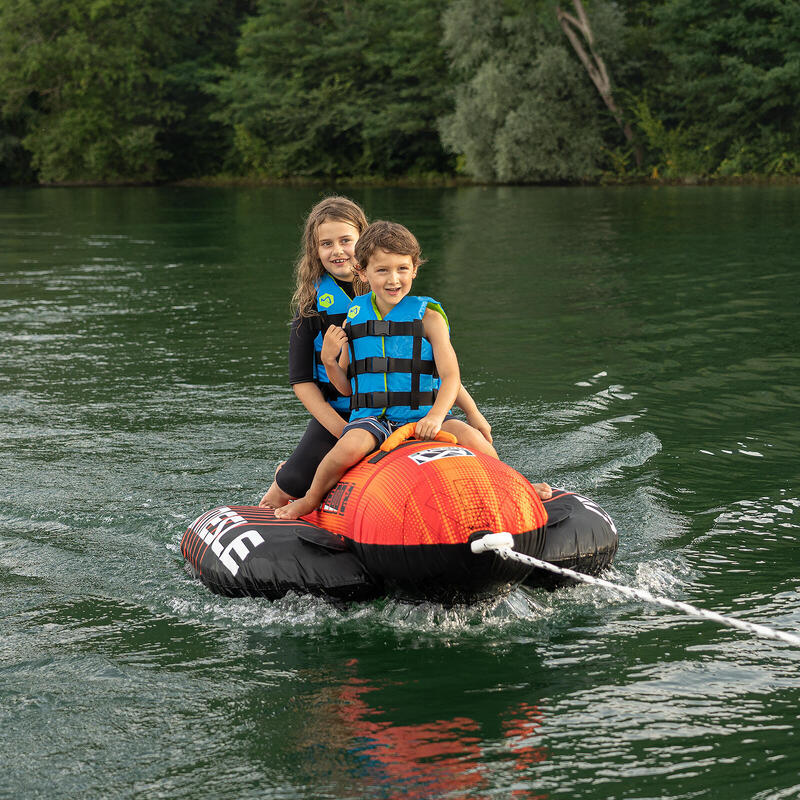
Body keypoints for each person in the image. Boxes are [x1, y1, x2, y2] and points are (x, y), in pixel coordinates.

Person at [275, 220, 551, 520]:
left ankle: (517, 485)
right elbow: (347, 388)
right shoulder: (354, 318)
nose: (393, 279)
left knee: (472, 438)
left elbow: (450, 377)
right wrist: (329, 361)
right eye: (382, 271)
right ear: (363, 272)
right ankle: (310, 500)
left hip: (423, 416)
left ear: (415, 269)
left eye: (402, 269)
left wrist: (439, 416)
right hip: (374, 420)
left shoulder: (430, 317)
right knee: (342, 452)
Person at [259, 197, 493, 508]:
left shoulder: (399, 298)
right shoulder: (314, 308)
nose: (338, 250)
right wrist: (344, 430)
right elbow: (302, 381)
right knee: (294, 480)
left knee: (473, 440)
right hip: (346, 413)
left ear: (363, 246)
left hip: (410, 408)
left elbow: (431, 369)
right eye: (326, 244)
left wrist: (473, 413)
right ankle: (273, 498)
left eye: (346, 240)